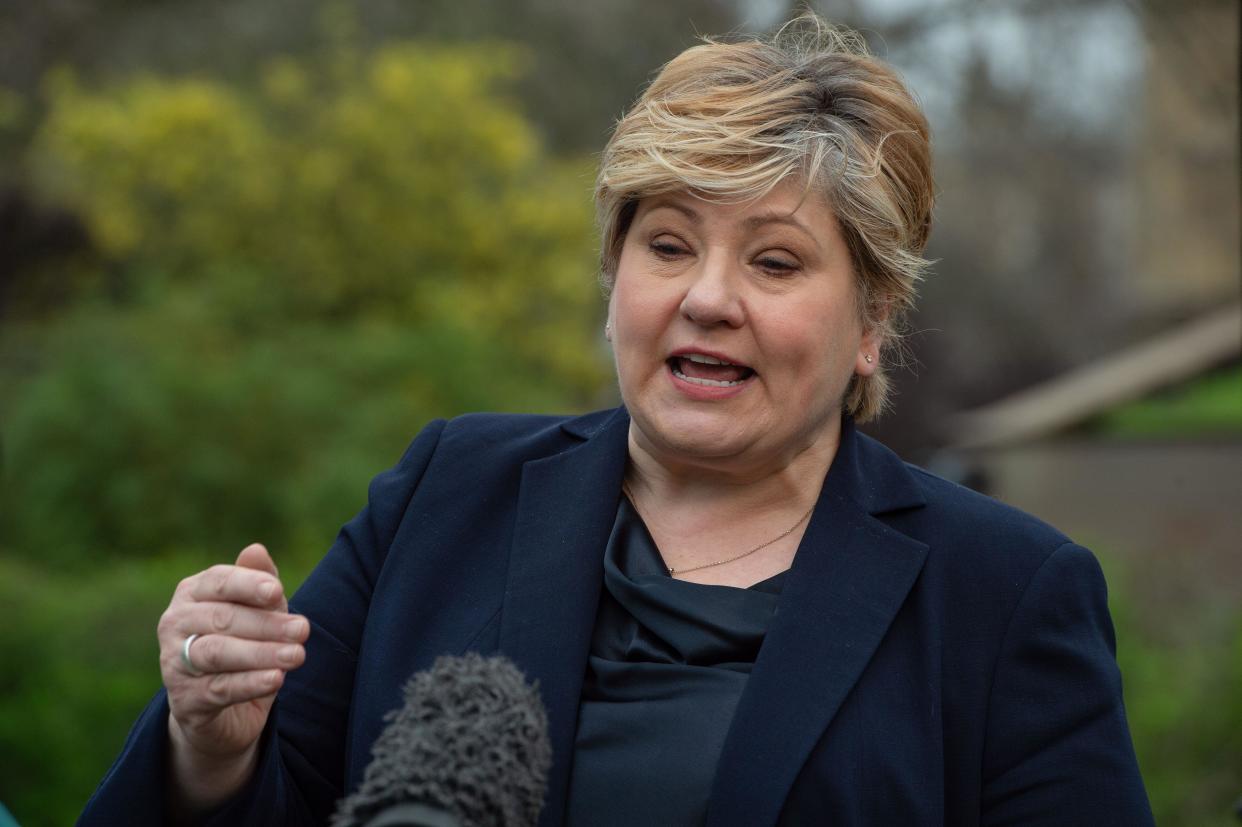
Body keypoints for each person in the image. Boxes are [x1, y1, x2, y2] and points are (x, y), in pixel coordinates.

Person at [80, 14, 1153, 827]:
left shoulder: (1006, 593)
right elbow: (279, 790)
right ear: (615, 273)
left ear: (872, 320)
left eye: (774, 260)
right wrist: (207, 745)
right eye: (669, 244)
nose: (707, 297)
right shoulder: (448, 489)